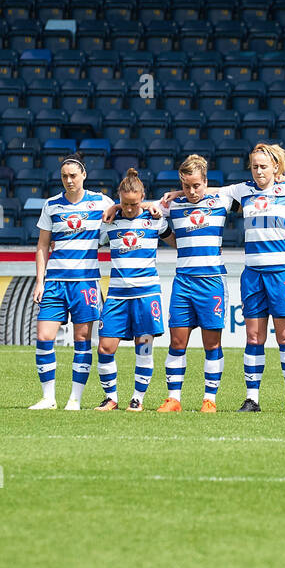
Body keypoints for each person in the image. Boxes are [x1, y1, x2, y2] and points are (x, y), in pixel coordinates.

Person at [162, 142, 285, 412]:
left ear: (276, 167)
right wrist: (176, 192)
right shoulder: (241, 191)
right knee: (254, 338)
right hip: (252, 273)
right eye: (254, 166)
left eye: (264, 166)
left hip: (281, 273)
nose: (258, 171)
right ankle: (252, 398)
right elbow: (203, 190)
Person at [30, 153, 114, 410]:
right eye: (64, 176)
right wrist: (39, 282)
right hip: (55, 281)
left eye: (73, 176)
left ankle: (74, 399)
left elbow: (127, 207)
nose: (68, 180)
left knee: (82, 339)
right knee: (44, 336)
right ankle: (48, 398)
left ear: (83, 176)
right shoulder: (52, 205)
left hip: (85, 283)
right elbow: (43, 245)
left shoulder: (101, 202)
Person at [93, 168, 173, 411]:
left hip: (147, 295)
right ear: (119, 199)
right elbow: (94, 241)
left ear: (142, 198)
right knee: (105, 347)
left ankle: (138, 398)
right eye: (124, 204)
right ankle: (111, 398)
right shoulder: (108, 222)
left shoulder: (156, 219)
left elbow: (174, 239)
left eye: (133, 204)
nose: (128, 208)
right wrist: (114, 209)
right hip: (117, 295)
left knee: (144, 346)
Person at [156, 154, 229, 413]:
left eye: (197, 185)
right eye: (186, 186)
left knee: (212, 344)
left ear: (205, 182)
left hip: (211, 281)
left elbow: (245, 189)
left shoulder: (221, 200)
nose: (191, 191)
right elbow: (139, 207)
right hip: (183, 282)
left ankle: (210, 399)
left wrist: (180, 191)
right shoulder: (172, 206)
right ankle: (173, 399)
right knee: (177, 342)